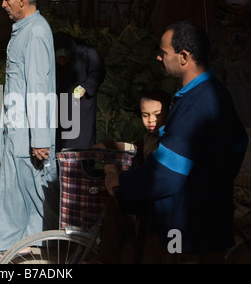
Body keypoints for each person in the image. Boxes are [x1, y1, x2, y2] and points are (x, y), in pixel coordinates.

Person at [104, 20, 249, 263]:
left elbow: (165, 175)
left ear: (183, 56)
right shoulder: (209, 92)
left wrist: (120, 179)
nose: (158, 58)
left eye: (163, 53)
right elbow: (237, 144)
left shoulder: (199, 101)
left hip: (186, 230)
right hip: (204, 220)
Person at [0, 0, 59, 259]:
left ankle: (43, 242)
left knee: (33, 189)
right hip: (16, 126)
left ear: (22, 0)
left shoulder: (37, 32)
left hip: (29, 130)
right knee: (14, 187)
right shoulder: (24, 29)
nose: (3, 4)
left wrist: (40, 137)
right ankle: (11, 243)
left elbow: (38, 87)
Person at [98, 89, 171, 263]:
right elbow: (133, 150)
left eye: (157, 114)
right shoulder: (147, 139)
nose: (151, 120)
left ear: (168, 113)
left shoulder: (170, 140)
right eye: (145, 115)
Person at [54, 32, 106, 150]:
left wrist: (85, 87)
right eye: (59, 61)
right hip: (59, 102)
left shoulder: (87, 53)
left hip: (81, 105)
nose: (62, 63)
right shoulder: (49, 51)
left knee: (80, 141)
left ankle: (83, 166)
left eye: (65, 60)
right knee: (59, 140)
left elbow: (98, 72)